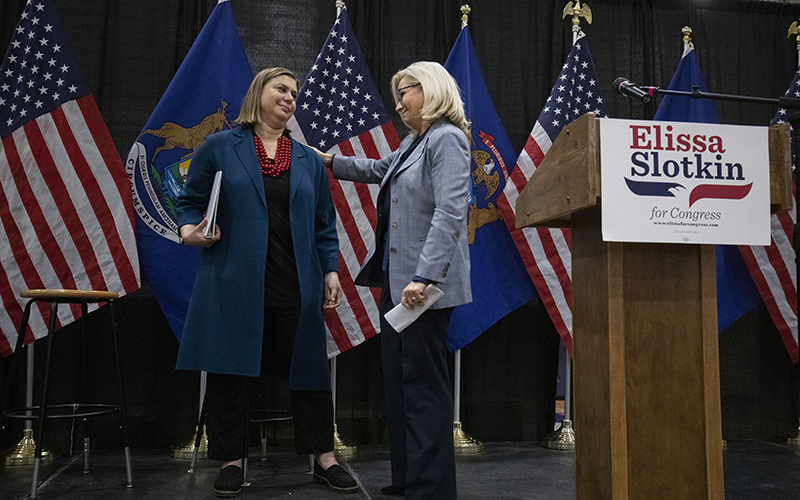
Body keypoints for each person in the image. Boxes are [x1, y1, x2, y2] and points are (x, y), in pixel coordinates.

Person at [175, 67, 358, 497]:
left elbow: (324, 225)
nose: (290, 98)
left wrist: (330, 270)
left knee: (310, 375)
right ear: (258, 92)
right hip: (234, 282)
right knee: (231, 375)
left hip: (296, 284)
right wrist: (189, 231)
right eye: (282, 89)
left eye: (295, 93)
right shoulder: (220, 145)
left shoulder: (309, 159)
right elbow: (188, 201)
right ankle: (231, 463)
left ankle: (324, 459)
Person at [315, 61, 472, 500]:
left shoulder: (447, 139)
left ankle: (431, 489)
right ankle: (408, 480)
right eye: (397, 93)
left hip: (423, 287)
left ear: (434, 90)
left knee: (423, 389)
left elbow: (450, 213)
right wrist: (327, 160)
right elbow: (376, 169)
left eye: (406, 91)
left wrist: (424, 275)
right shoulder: (413, 142)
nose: (399, 101)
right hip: (398, 283)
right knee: (402, 386)